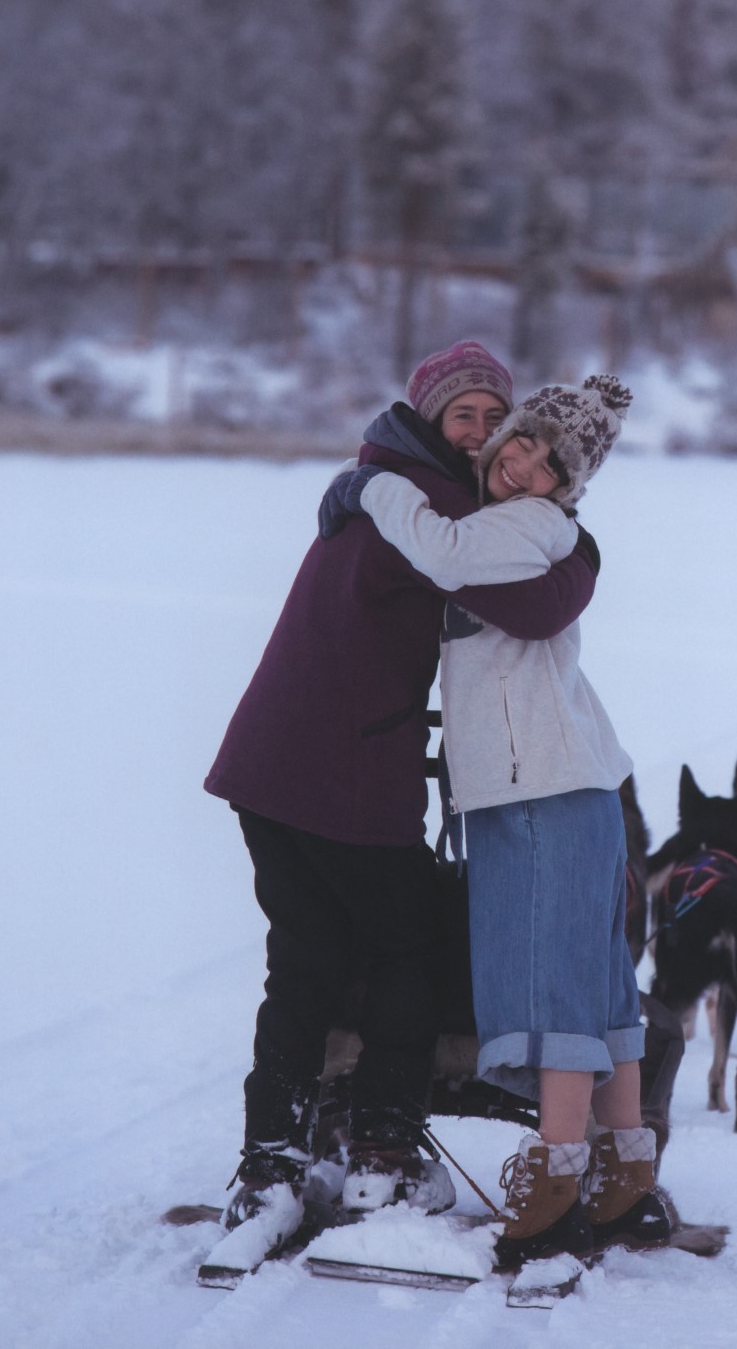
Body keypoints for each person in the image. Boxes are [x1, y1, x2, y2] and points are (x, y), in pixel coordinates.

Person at [203, 341, 600, 1255]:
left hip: (269, 765)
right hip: (345, 772)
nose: (481, 433)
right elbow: (540, 608)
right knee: (406, 950)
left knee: (303, 960)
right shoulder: (429, 505)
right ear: (427, 418)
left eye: (492, 418)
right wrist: (583, 549)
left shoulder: (386, 482)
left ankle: (271, 1167)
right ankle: (382, 1153)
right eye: (463, 414)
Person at [324, 376, 671, 1268]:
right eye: (517, 442)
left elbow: (436, 550)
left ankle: (555, 1179)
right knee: (597, 983)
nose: (518, 464)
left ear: (568, 487)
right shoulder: (536, 531)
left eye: (548, 463)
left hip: (537, 789)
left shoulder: (522, 529)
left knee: (547, 981)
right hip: (572, 783)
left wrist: (371, 485)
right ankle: (622, 1168)